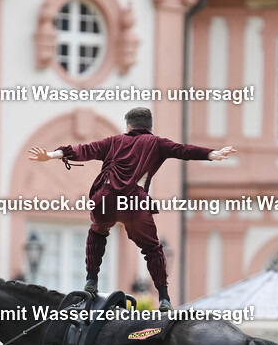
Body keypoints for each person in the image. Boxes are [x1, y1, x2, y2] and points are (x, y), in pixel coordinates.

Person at [28, 106, 236, 311]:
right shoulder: (156, 143)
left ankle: (91, 281)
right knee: (152, 249)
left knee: (98, 232)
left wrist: (52, 154)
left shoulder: (114, 141)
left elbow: (84, 150)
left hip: (106, 200)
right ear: (150, 127)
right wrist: (212, 154)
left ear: (128, 126)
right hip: (134, 203)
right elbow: (183, 150)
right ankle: (164, 298)